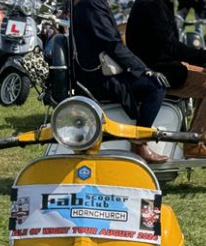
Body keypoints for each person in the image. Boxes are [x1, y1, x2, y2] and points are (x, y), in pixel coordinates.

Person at [126, 0, 206, 158]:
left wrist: (202, 57)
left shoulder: (157, 4)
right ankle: (193, 145)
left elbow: (168, 45)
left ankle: (195, 140)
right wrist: (205, 55)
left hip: (155, 64)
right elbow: (170, 46)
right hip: (157, 70)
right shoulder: (154, 5)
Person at [72, 0, 171, 164]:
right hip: (101, 78)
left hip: (100, 72)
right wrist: (143, 69)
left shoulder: (90, 4)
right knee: (156, 86)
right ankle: (139, 144)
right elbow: (112, 44)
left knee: (153, 78)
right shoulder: (90, 5)